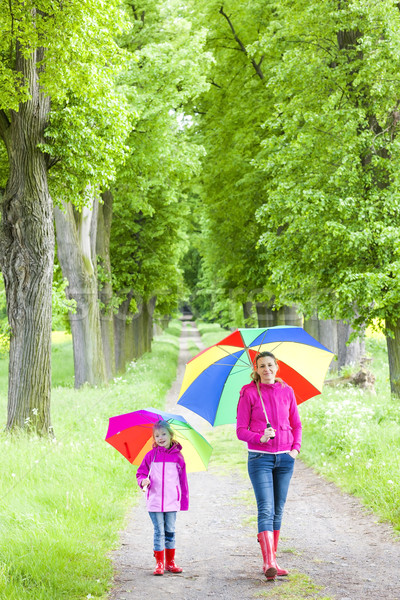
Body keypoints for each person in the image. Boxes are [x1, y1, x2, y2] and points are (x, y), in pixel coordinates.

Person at [236, 351, 302, 580]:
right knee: (266, 507)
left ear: (277, 367)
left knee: (278, 509)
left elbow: (297, 424)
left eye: (270, 365)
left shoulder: (287, 391)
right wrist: (260, 437)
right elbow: (241, 431)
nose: (266, 369)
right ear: (256, 369)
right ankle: (269, 562)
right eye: (262, 366)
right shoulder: (249, 393)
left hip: (285, 458)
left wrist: (295, 449)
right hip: (259, 458)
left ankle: (272, 557)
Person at [136, 420, 189, 575]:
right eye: (157, 435)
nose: (160, 438)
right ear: (154, 438)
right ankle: (159, 563)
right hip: (154, 501)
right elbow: (141, 473)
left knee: (170, 530)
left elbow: (183, 481)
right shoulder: (150, 456)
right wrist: (143, 481)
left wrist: (183, 501)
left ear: (171, 435)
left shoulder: (178, 457)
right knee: (159, 531)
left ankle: (170, 563)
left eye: (163, 434)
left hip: (172, 502)